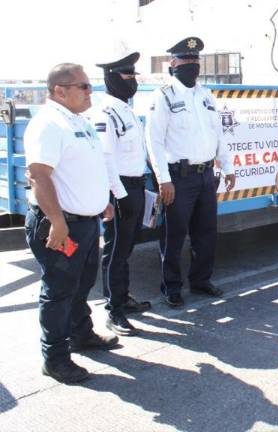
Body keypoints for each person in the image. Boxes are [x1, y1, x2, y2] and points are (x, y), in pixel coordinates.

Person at [24, 63, 118, 383]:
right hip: (62, 225)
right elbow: (39, 176)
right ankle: (55, 357)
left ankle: (81, 334)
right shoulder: (49, 123)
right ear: (59, 91)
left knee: (80, 284)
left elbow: (86, 167)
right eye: (84, 86)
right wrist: (57, 221)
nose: (90, 91)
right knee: (59, 291)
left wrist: (100, 199)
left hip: (86, 222)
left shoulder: (77, 120)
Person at [146, 37, 236, 308]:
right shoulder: (163, 96)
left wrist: (228, 166)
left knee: (206, 232)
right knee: (173, 235)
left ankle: (201, 280)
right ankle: (171, 287)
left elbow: (218, 133)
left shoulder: (206, 95)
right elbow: (154, 141)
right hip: (178, 177)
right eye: (186, 60)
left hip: (206, 174)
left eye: (196, 60)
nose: (193, 65)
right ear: (173, 63)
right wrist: (164, 179)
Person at [92, 50, 152, 336]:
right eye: (128, 76)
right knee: (115, 251)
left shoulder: (125, 108)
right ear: (112, 78)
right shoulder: (106, 111)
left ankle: (122, 298)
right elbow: (105, 158)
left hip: (135, 185)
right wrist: (120, 195)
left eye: (133, 76)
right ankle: (113, 312)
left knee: (126, 248)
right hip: (121, 189)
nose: (133, 81)